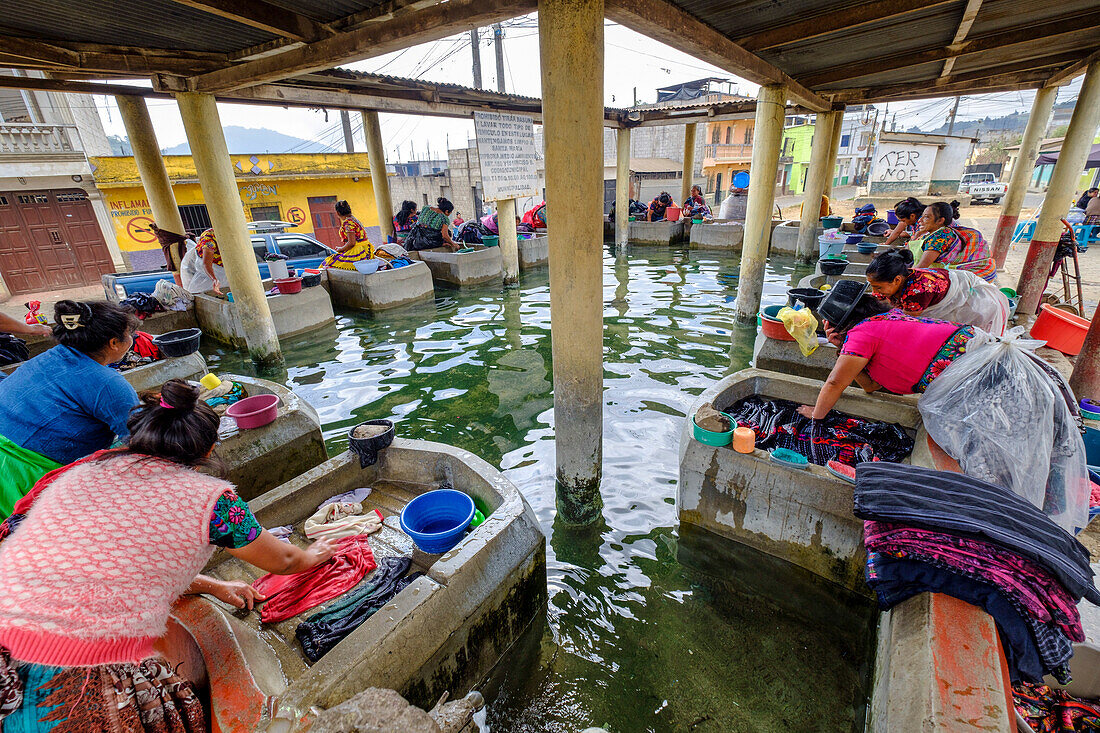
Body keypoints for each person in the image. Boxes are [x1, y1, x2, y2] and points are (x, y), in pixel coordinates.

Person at [0, 379, 337, 731]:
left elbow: (107, 560)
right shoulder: (213, 503)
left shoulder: (86, 469)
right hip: (75, 676)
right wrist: (313, 554)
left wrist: (210, 585)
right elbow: (283, 561)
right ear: (207, 452)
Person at [799, 283, 1087, 532]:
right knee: (1030, 450)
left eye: (826, 322)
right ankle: (1040, 506)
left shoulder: (863, 333)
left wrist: (817, 413)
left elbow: (835, 383)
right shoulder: (888, 318)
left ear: (840, 321)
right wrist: (842, 347)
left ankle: (1019, 520)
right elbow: (871, 386)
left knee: (1006, 457)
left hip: (990, 377)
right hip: (985, 361)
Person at [0, 300, 139, 517]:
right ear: (114, 343)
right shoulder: (109, 385)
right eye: (129, 333)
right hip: (23, 476)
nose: (132, 339)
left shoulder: (48, 357)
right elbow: (144, 439)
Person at [866, 247, 1009, 335]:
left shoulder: (917, 292)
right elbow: (880, 300)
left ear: (897, 280)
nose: (875, 291)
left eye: (878, 287)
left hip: (969, 297)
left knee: (966, 330)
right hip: (948, 285)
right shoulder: (900, 277)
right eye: (872, 286)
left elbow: (907, 321)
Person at [910, 200, 997, 282]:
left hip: (972, 276)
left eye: (926, 217)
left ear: (940, 220)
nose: (920, 220)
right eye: (922, 216)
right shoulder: (930, 233)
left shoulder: (941, 235)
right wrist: (917, 234)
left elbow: (921, 268)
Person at [322, 200, 376, 270]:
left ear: (337, 213)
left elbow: (351, 243)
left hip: (358, 251)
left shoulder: (348, 223)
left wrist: (341, 249)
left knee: (328, 262)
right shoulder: (354, 219)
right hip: (366, 249)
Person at [195, 227, 227, 295]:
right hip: (206, 263)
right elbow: (206, 264)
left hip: (219, 265)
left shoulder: (237, 236)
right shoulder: (209, 239)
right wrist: (214, 279)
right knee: (202, 289)